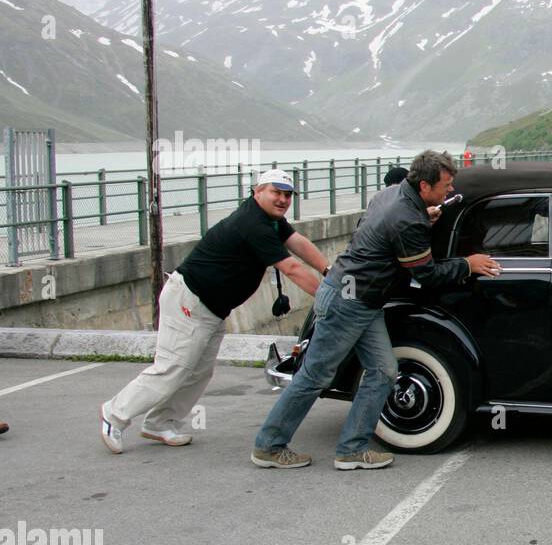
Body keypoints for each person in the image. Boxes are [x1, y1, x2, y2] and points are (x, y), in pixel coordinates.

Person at [251, 150, 501, 471]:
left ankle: (352, 448)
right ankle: (269, 445)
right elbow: (426, 274)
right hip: (349, 304)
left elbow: (382, 231)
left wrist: (424, 217)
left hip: (361, 300)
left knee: (384, 371)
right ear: (425, 186)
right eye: (445, 185)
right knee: (315, 376)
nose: (449, 191)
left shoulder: (392, 195)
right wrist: (468, 263)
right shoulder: (406, 217)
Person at [100, 169, 328, 454]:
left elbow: (297, 242)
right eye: (275, 192)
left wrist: (327, 270)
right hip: (190, 301)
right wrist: (329, 298)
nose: (282, 200)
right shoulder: (252, 223)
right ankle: (114, 415)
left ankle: (159, 423)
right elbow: (292, 267)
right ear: (257, 192)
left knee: (199, 372)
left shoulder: (272, 220)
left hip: (213, 308)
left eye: (287, 195)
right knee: (172, 367)